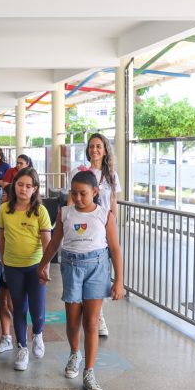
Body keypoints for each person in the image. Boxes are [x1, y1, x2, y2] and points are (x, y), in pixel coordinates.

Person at [40, 171, 124, 390]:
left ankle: (89, 370)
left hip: (97, 268)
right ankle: (74, 353)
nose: (78, 198)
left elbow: (115, 249)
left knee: (92, 322)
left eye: (83, 194)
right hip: (71, 268)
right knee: (73, 320)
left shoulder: (105, 215)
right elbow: (55, 241)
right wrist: (43, 265)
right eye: (74, 193)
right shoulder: (64, 213)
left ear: (95, 192)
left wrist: (119, 281)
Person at [0, 166, 52, 371]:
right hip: (13, 267)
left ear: (35, 189)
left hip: (35, 267)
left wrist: (45, 267)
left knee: (37, 310)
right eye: (20, 184)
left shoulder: (40, 211)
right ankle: (22, 347)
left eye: (29, 186)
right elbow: (1, 236)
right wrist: (3, 260)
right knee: (18, 308)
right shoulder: (4, 209)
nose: (23, 189)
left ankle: (37, 334)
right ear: (14, 186)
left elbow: (47, 242)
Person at [73, 133, 120, 338]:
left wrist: (113, 223)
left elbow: (113, 201)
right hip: (86, 226)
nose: (95, 150)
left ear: (105, 149)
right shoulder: (80, 171)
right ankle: (94, 313)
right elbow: (71, 199)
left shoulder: (111, 175)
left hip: (104, 226)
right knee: (87, 268)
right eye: (91, 146)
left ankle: (97, 313)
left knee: (102, 268)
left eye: (98, 146)